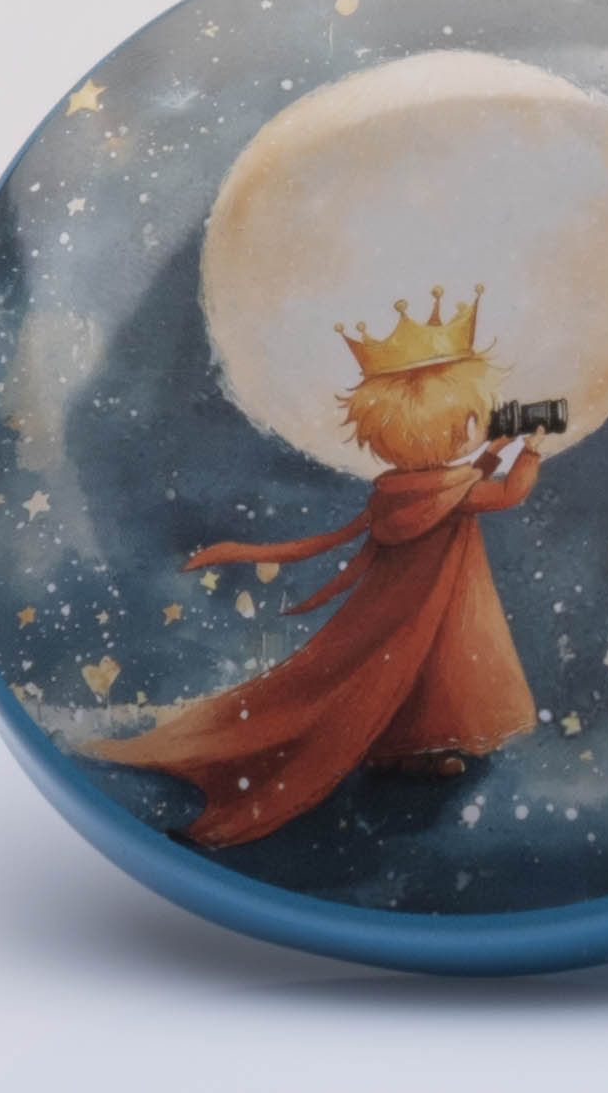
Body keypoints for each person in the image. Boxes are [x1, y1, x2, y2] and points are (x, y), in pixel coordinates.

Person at [92, 286, 541, 848]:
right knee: (423, 671)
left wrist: (490, 454)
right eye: (468, 420)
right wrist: (531, 452)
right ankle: (386, 758)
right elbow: (507, 494)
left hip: (408, 610)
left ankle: (405, 753)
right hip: (434, 609)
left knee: (409, 674)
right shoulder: (453, 490)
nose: (475, 427)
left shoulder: (401, 488)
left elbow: (459, 481)